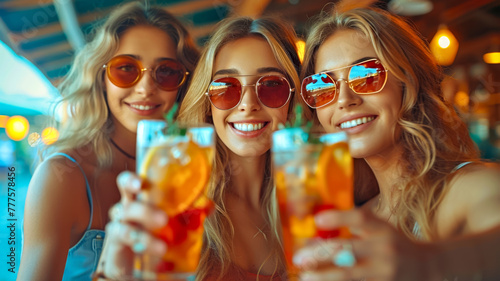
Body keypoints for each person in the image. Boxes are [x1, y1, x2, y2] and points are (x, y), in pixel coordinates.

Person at [93, 16, 312, 281]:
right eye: (225, 87)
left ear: (294, 98)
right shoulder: (177, 201)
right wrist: (116, 273)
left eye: (271, 85)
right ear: (207, 103)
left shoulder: (313, 199)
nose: (247, 104)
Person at [293, 5, 500, 281]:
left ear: (408, 82)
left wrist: (429, 262)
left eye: (366, 76)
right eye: (323, 86)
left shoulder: (464, 187)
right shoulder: (355, 217)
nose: (344, 100)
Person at [17, 2, 199, 281]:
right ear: (102, 78)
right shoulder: (61, 177)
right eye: (126, 68)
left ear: (183, 83)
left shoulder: (192, 170)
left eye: (165, 71)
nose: (145, 87)